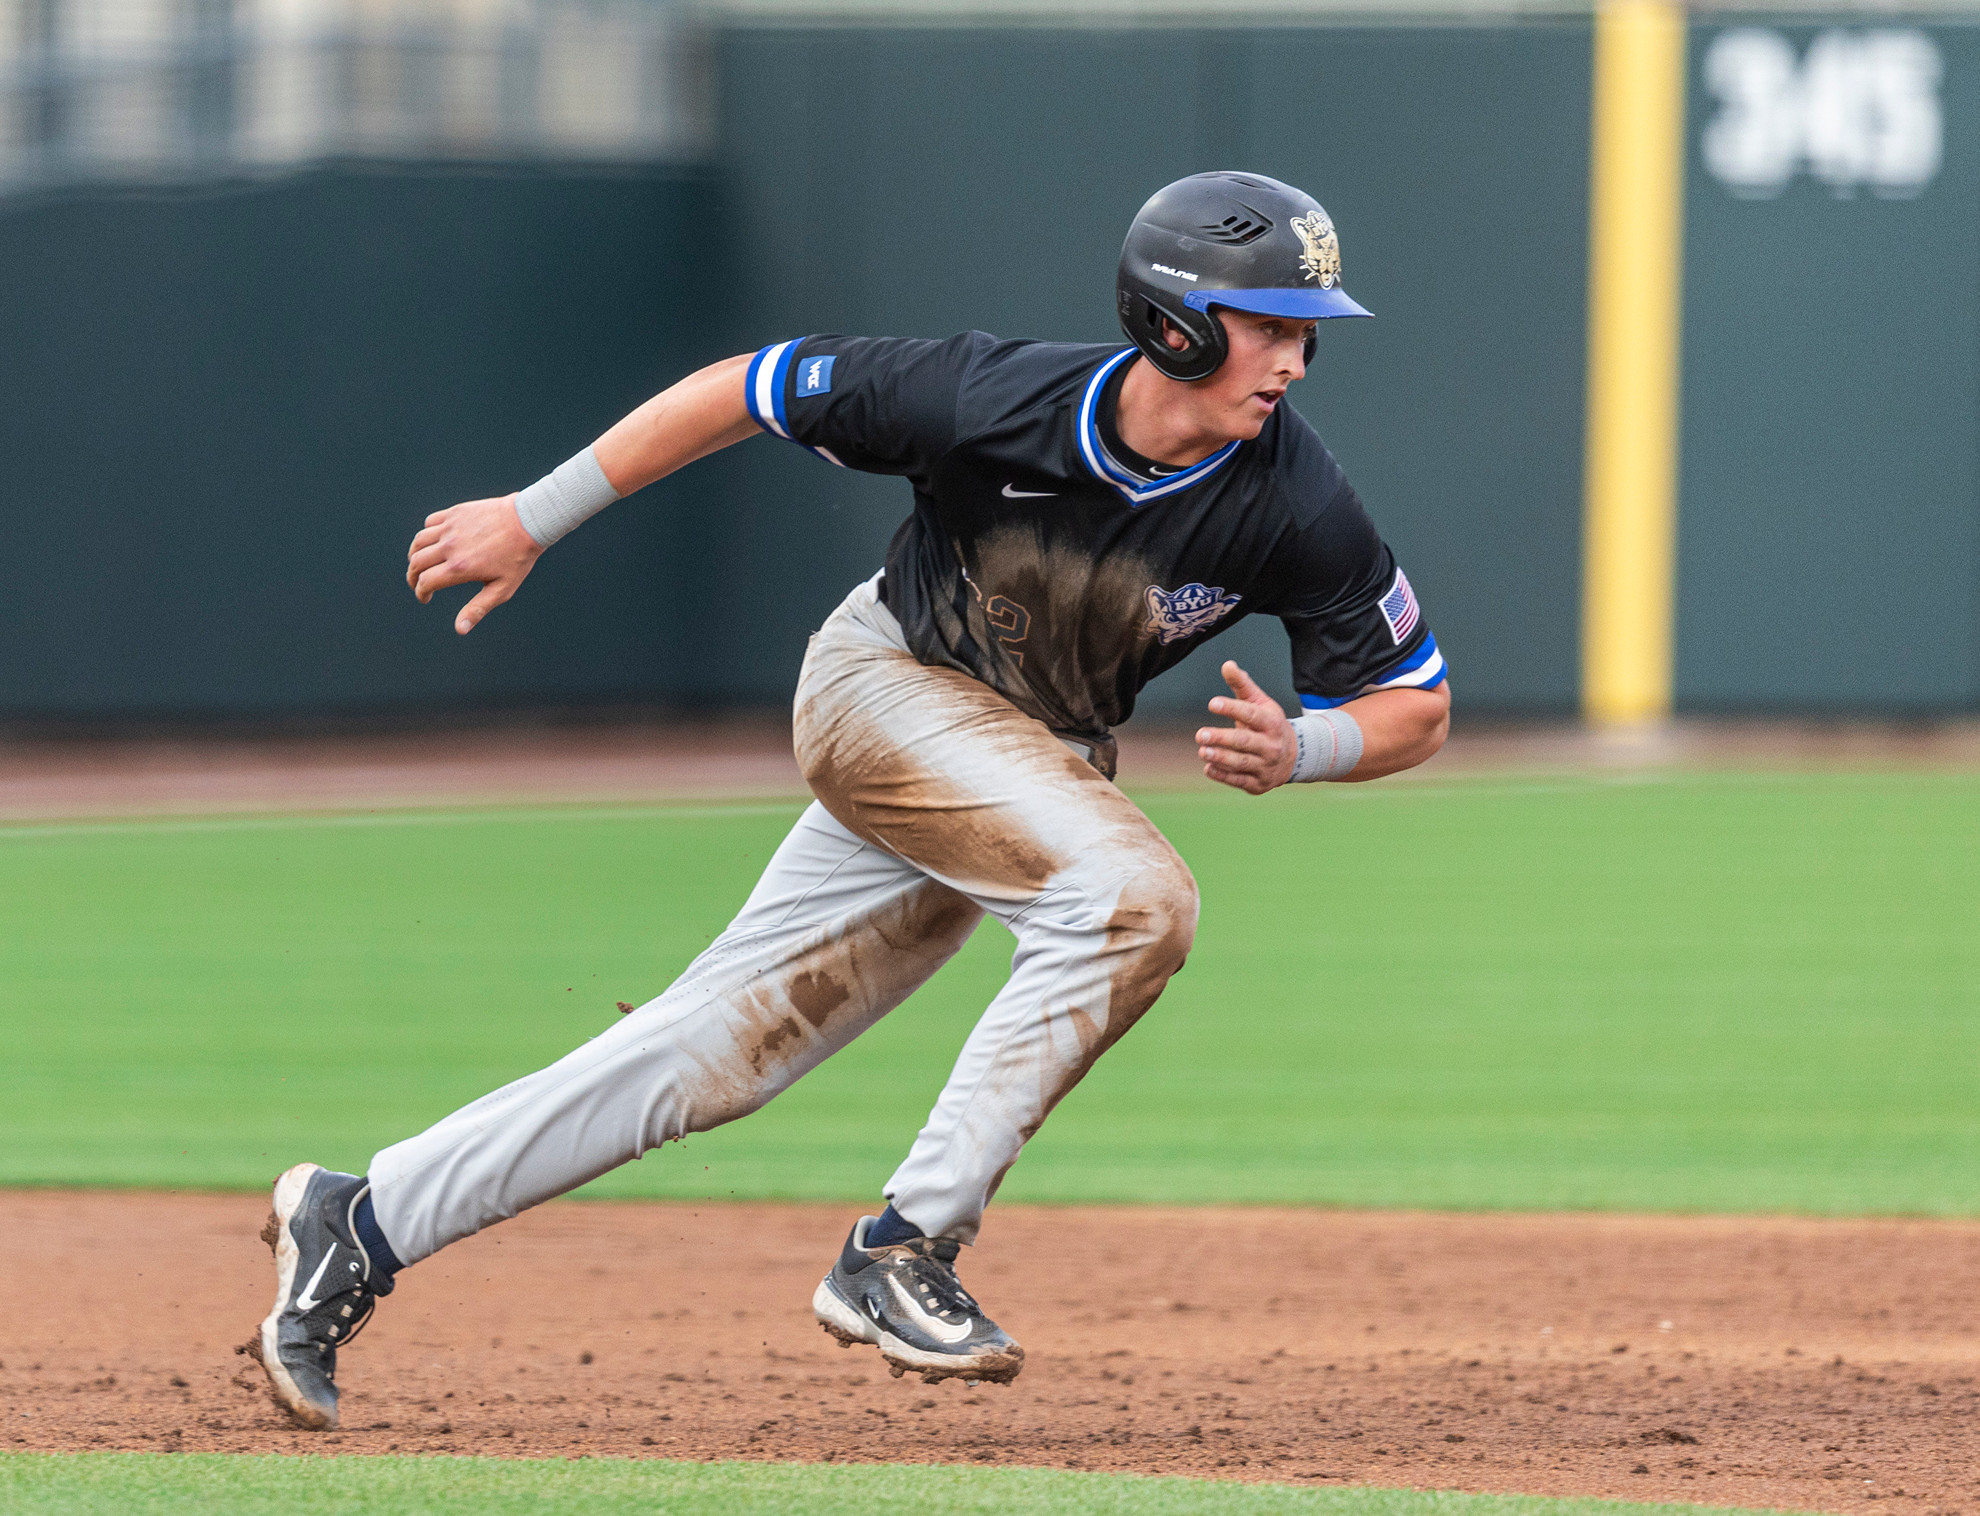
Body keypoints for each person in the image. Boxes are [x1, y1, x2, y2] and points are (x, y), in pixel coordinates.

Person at [249, 171, 1451, 1430]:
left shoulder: (1292, 499)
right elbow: (746, 389)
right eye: (1270, 324)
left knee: (712, 1056)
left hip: (1021, 769)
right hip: (886, 691)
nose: (1298, 358)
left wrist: (1308, 747)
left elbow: (1413, 702)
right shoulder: (988, 398)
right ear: (1177, 322)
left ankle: (363, 1216)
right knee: (1136, 898)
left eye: (1307, 329)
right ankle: (903, 1249)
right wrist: (533, 518)